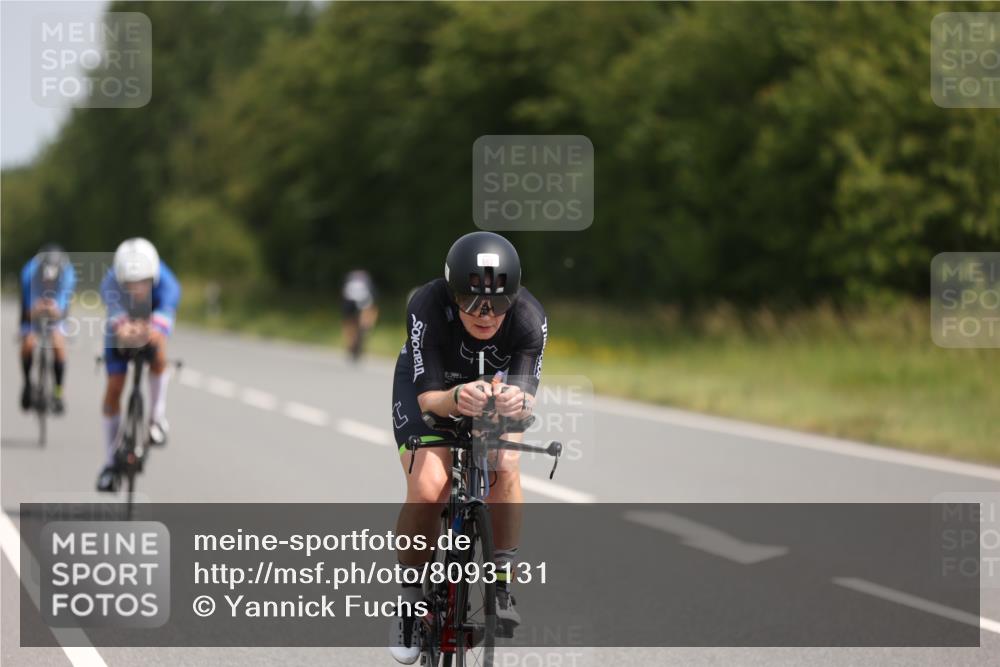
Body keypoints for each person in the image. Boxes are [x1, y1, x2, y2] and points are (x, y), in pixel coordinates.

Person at [388, 231, 548, 663]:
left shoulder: (530, 318)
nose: (485, 314)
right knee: (428, 486)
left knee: (506, 463)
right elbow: (429, 400)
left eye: (498, 303)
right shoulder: (426, 307)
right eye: (472, 301)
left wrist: (517, 399)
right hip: (433, 389)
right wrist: (456, 398)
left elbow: (527, 392)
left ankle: (500, 583)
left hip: (490, 395)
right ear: (451, 292)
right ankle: (410, 600)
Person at [96, 238, 181, 492]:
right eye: (130, 284)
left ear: (153, 277)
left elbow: (166, 314)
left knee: (159, 351)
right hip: (122, 330)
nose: (136, 288)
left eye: (143, 282)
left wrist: (153, 329)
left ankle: (156, 418)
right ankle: (110, 463)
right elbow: (116, 317)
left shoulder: (168, 282)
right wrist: (124, 327)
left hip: (151, 323)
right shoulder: (110, 282)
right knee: (114, 387)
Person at [19, 245, 76, 414]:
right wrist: (34, 310)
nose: (48, 282)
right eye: (45, 279)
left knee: (58, 344)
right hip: (33, 306)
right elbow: (27, 310)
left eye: (52, 279)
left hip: (56, 310)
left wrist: (55, 310)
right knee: (28, 344)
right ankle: (27, 384)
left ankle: (58, 391)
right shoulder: (29, 273)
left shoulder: (68, 274)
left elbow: (62, 307)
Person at [341, 269, 378, 360]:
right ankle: (365, 327)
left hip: (349, 300)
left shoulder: (350, 278)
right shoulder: (366, 280)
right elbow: (372, 301)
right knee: (369, 314)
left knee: (349, 322)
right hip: (363, 299)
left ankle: (351, 342)